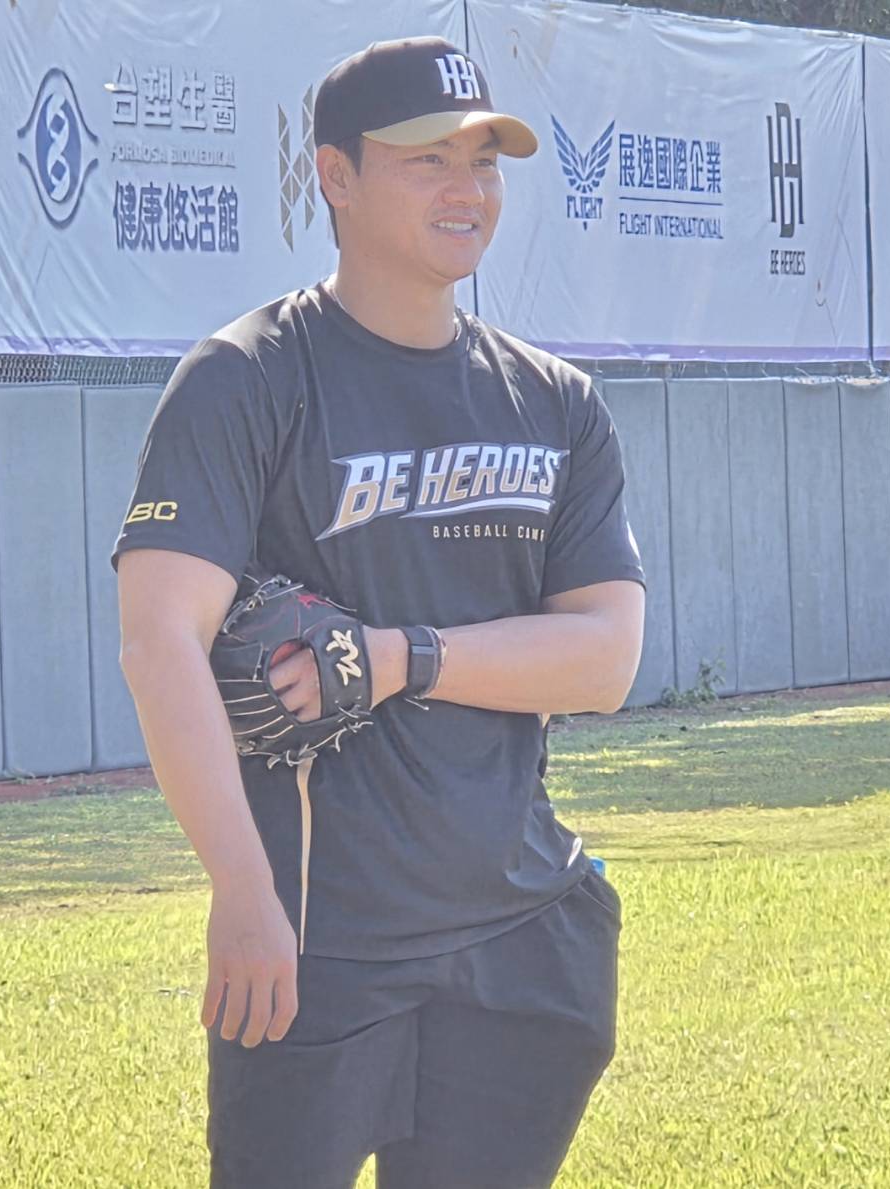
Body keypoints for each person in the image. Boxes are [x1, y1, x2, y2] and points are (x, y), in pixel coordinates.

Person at [113, 35, 646, 1189]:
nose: (467, 189)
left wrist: (400, 656)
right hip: (317, 945)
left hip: (522, 934)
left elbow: (605, 656)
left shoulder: (554, 403)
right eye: (427, 160)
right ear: (335, 176)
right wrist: (244, 891)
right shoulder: (248, 377)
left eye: (484, 160)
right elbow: (160, 638)